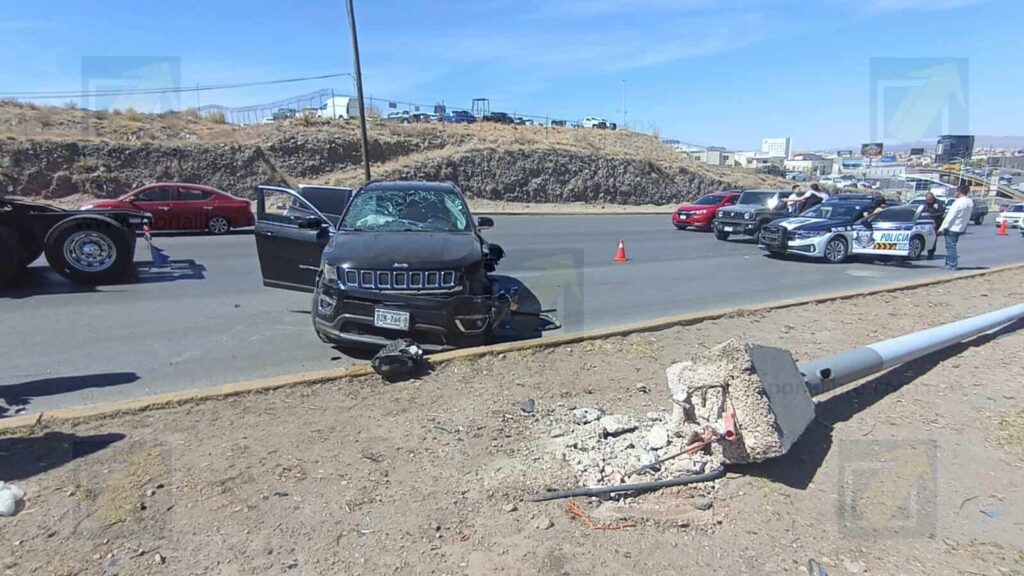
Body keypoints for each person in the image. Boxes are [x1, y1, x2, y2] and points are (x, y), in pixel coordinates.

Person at [938, 184, 973, 271]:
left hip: (952, 227)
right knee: (951, 246)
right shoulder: (969, 202)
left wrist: (942, 228)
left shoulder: (958, 202)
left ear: (959, 192)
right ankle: (949, 263)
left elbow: (950, 216)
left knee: (950, 247)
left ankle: (952, 264)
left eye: (956, 191)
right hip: (961, 227)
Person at [920, 192, 945, 260]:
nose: (929, 201)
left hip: (936, 223)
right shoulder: (925, 203)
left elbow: (941, 213)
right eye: (927, 199)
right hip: (926, 223)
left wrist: (930, 215)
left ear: (933, 197)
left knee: (933, 238)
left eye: (930, 199)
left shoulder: (939, 203)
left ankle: (930, 253)